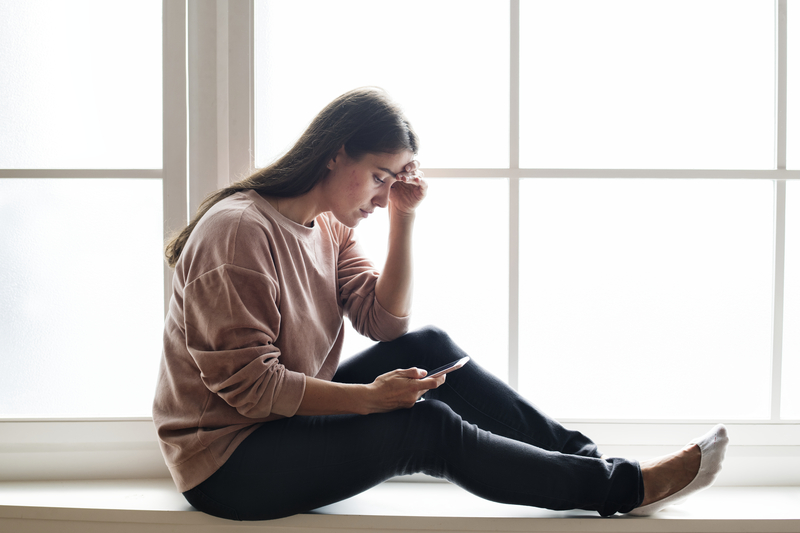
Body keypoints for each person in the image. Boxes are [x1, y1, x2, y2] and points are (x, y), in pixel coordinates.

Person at [153, 87, 728, 521]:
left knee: (428, 348)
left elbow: (384, 323)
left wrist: (404, 216)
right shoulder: (237, 233)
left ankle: (591, 466)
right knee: (421, 429)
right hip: (229, 461)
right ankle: (624, 490)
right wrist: (370, 400)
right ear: (335, 154)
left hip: (285, 423)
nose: (382, 196)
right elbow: (251, 389)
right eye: (379, 178)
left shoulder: (326, 226)